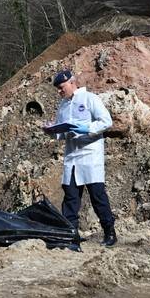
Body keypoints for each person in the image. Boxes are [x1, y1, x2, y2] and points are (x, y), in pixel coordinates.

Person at [43, 70, 117, 251]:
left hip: (90, 155)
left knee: (97, 197)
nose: (60, 92)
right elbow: (61, 132)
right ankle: (71, 237)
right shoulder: (63, 106)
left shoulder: (90, 98)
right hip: (72, 157)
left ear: (71, 83)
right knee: (70, 198)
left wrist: (86, 129)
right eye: (58, 89)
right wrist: (51, 130)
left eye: (61, 88)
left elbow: (106, 121)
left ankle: (110, 232)